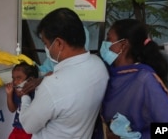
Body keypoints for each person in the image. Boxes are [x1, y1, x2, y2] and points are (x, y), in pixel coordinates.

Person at [18, 8, 109, 139]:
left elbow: (28, 125)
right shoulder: (98, 65)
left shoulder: (54, 85)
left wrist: (25, 96)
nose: (46, 48)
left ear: (59, 43)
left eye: (45, 43)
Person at [95, 19, 168, 139]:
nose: (104, 44)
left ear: (123, 45)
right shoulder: (108, 72)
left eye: (109, 39)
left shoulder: (144, 79)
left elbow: (167, 129)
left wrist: (134, 137)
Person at [5, 62, 39, 139]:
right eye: (13, 78)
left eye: (18, 78)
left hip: (29, 131)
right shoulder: (17, 91)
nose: (15, 82)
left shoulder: (36, 93)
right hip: (17, 129)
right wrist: (9, 94)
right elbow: (12, 109)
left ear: (30, 80)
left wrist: (25, 95)